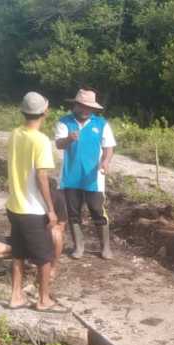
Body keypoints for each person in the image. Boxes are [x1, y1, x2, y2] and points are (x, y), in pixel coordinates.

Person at [4, 91, 65, 312]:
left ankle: (16, 296)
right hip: (32, 209)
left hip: (14, 206)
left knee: (18, 253)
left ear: (23, 111)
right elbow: (41, 177)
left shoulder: (15, 134)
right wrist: (50, 208)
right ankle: (43, 299)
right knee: (44, 257)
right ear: (45, 112)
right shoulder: (40, 141)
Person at [54, 88, 116, 260]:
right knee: (73, 213)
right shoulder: (64, 122)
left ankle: (105, 247)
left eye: (89, 107)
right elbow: (59, 144)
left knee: (97, 210)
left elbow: (108, 147)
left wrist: (105, 161)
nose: (85, 110)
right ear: (76, 105)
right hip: (71, 177)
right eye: (82, 106)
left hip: (94, 178)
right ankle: (79, 247)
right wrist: (69, 139)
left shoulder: (101, 124)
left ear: (94, 108)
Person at [0, 177, 67, 279]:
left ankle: (52, 267)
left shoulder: (57, 199)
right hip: (23, 239)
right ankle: (26, 257)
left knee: (57, 234)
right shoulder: (24, 200)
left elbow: (61, 226)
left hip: (43, 238)